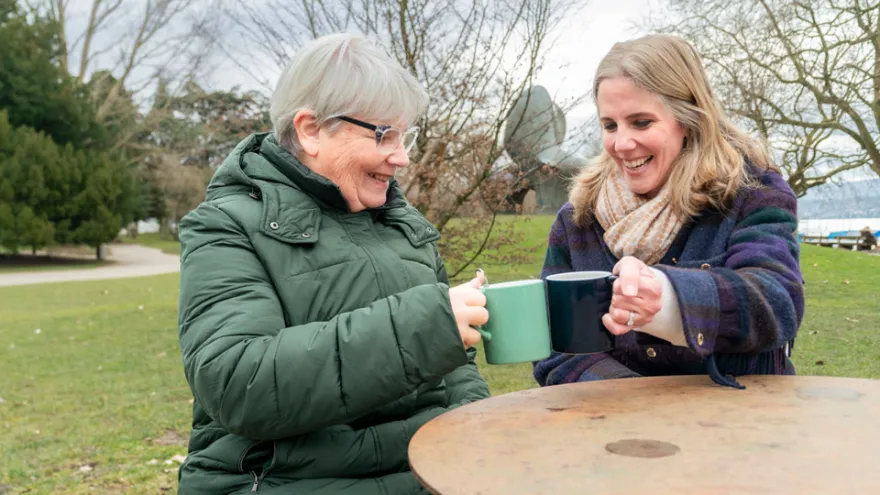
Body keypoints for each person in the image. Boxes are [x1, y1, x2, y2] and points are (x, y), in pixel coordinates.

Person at [175, 33, 490, 494]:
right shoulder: (225, 227)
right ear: (310, 130)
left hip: (428, 473)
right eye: (384, 134)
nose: (401, 157)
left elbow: (454, 365)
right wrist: (426, 326)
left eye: (407, 135)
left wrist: (473, 431)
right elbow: (237, 381)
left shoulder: (404, 225)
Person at [533, 34, 804, 390]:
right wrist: (633, 399)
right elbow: (553, 344)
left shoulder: (752, 193)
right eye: (610, 125)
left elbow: (776, 301)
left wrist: (667, 297)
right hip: (615, 431)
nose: (622, 143)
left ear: (688, 119)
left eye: (641, 122)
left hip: (744, 423)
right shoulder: (577, 219)